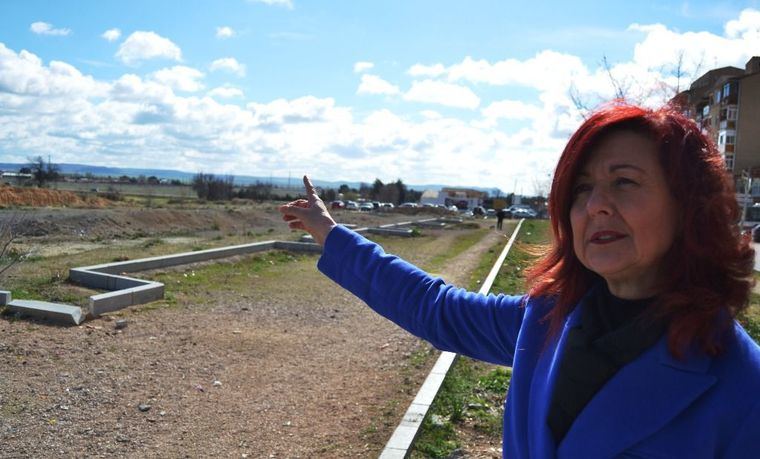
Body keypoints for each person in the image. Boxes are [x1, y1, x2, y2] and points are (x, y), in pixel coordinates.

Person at [279, 104, 760, 458]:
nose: (595, 205)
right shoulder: (547, 319)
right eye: (582, 189)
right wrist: (332, 235)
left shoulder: (741, 386)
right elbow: (436, 309)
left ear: (688, 207)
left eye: (624, 181)